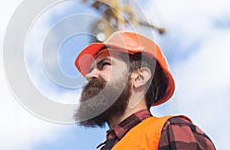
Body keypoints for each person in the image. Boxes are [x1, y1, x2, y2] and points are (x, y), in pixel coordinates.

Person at [74, 31, 215, 150]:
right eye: (91, 69)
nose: (89, 75)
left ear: (139, 78)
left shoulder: (171, 131)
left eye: (104, 64)